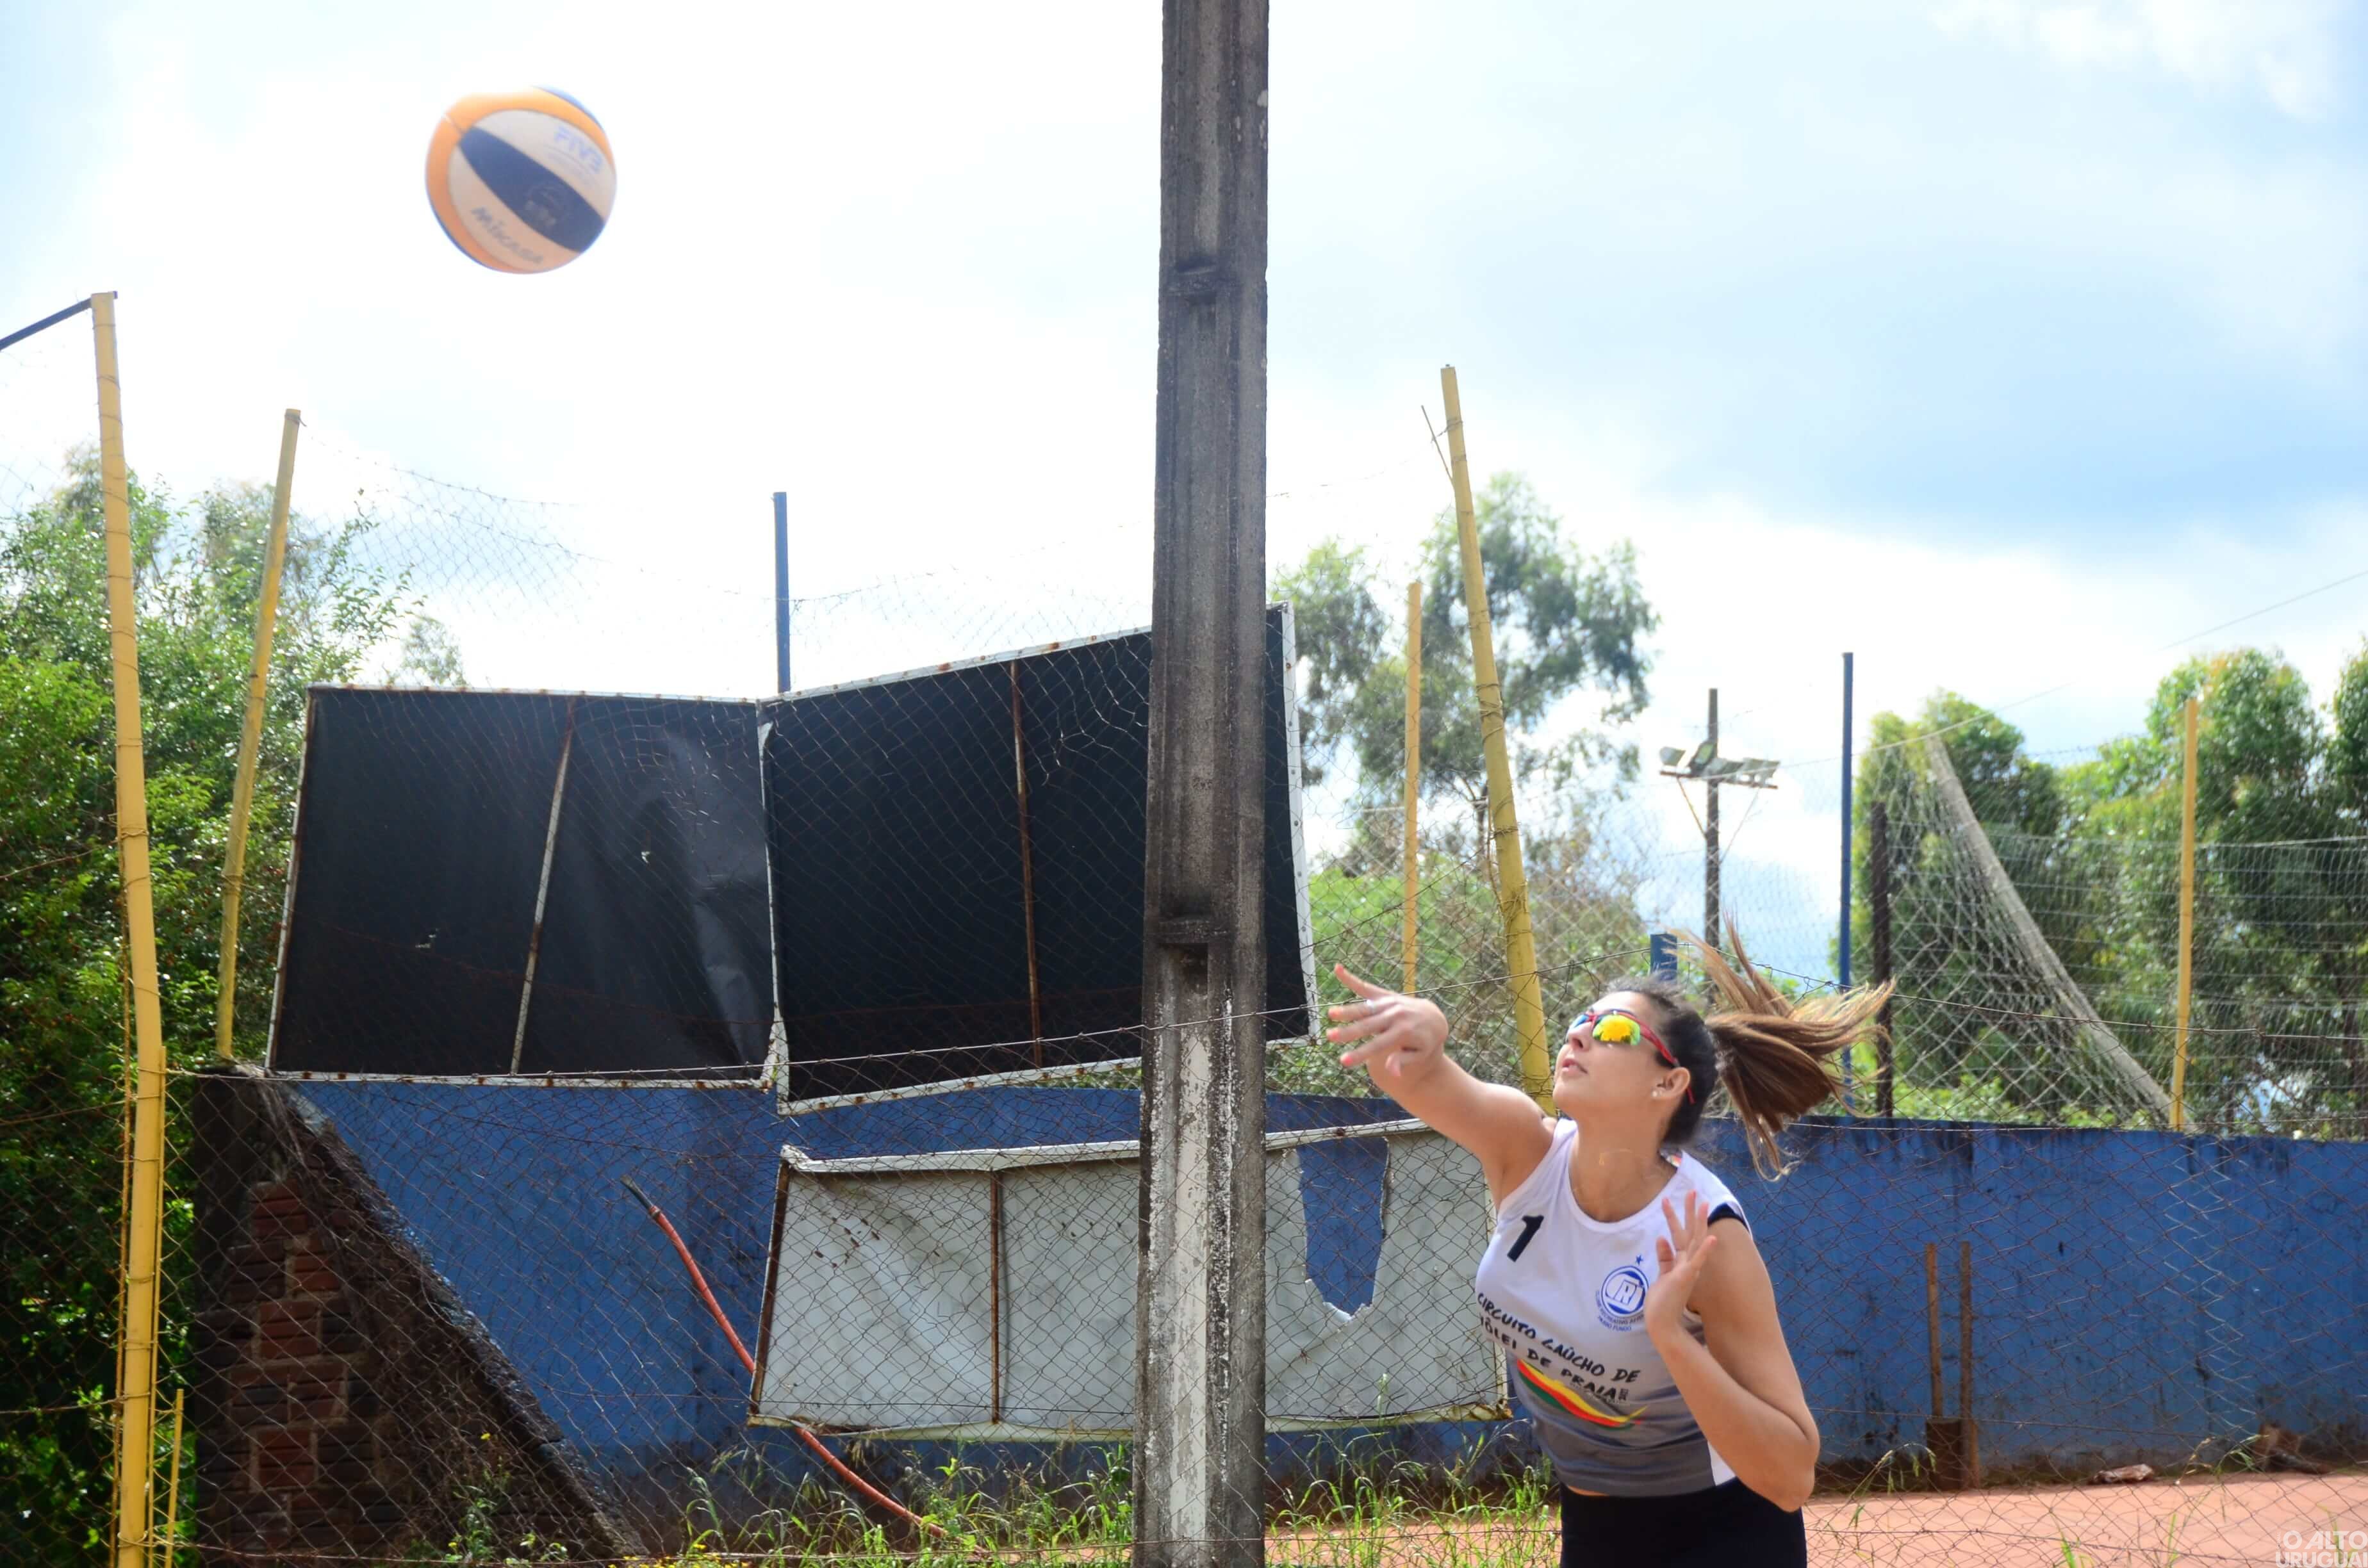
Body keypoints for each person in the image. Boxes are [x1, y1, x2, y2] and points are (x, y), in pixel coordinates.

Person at [1326, 927, 1888, 1568]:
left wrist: (1671, 1338)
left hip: (1723, 1531)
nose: (1580, 1034)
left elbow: (1791, 1475)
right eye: (1581, 1020)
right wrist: (1422, 1026)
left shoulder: (1703, 1234)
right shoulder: (1524, 1148)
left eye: (1615, 1031)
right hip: (1597, 1525)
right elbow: (1407, 1073)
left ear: (1667, 1085)